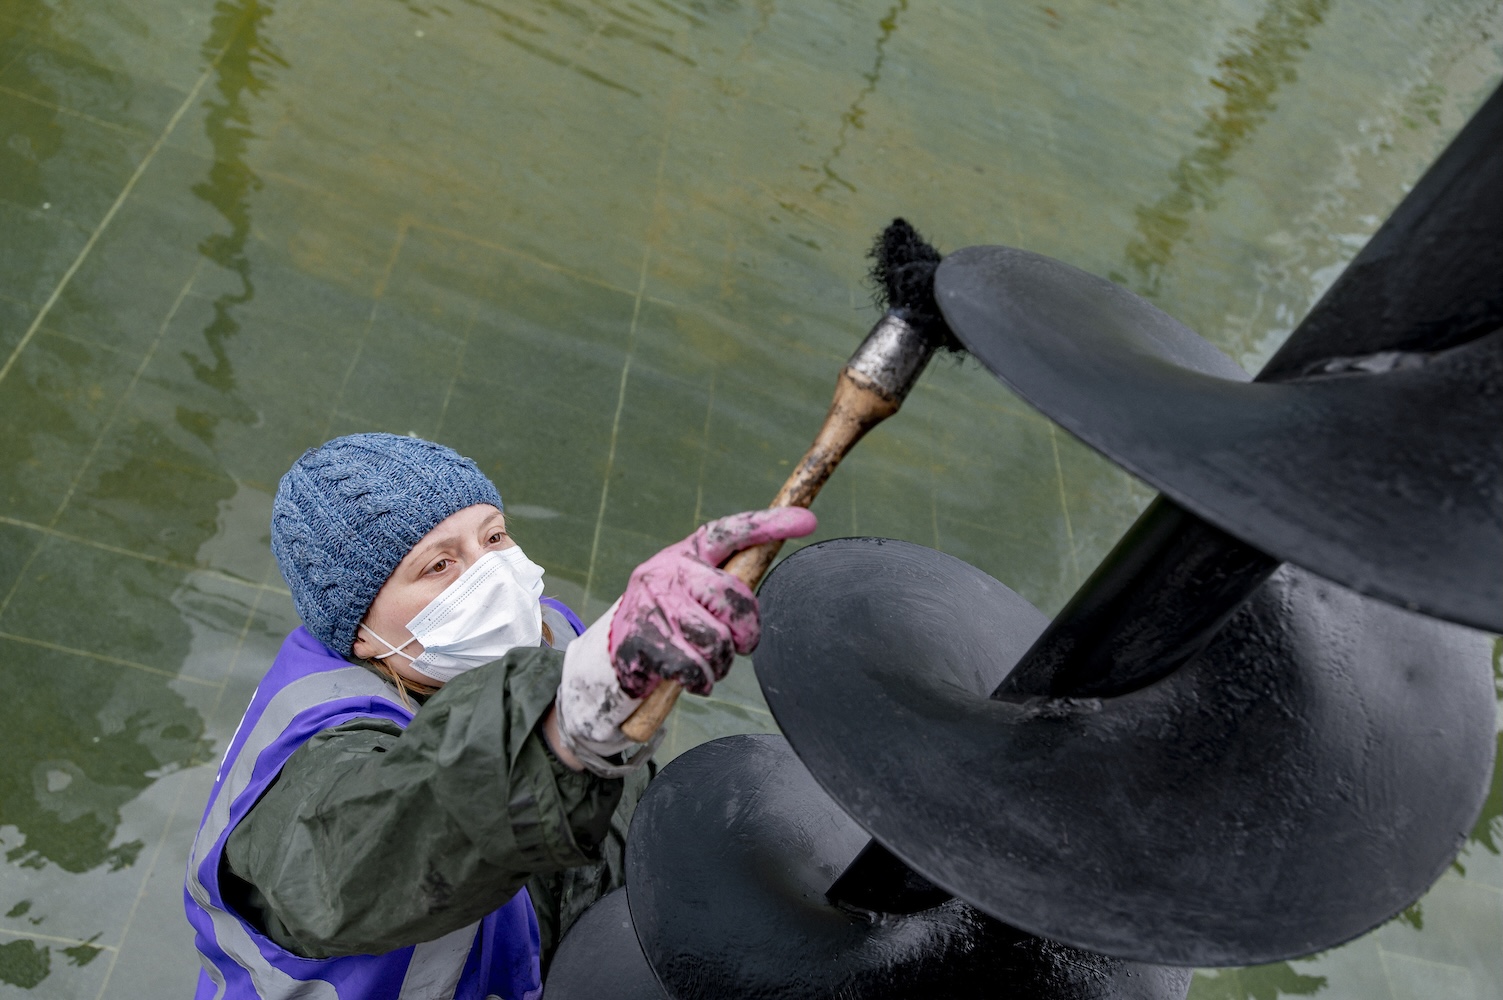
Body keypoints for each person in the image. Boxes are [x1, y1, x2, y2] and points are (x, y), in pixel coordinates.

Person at [183, 432, 816, 999]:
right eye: (439, 565)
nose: (492, 575)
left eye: (493, 536)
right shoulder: (313, 753)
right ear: (362, 635)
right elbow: (371, 854)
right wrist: (564, 728)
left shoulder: (561, 640)